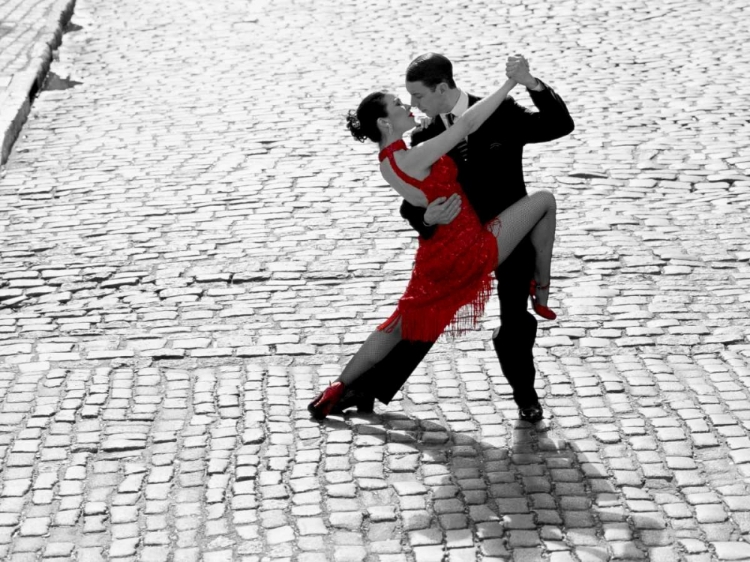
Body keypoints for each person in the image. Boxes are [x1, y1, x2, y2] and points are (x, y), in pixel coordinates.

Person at [321, 53, 575, 424]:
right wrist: (426, 216)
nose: (413, 105)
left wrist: (530, 82)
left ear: (441, 88)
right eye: (405, 101)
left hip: (508, 236)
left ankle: (526, 397)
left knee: (511, 323)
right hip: (462, 244)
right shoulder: (422, 137)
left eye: (418, 97)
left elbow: (559, 125)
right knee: (424, 324)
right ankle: (363, 388)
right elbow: (413, 203)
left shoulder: (500, 111)